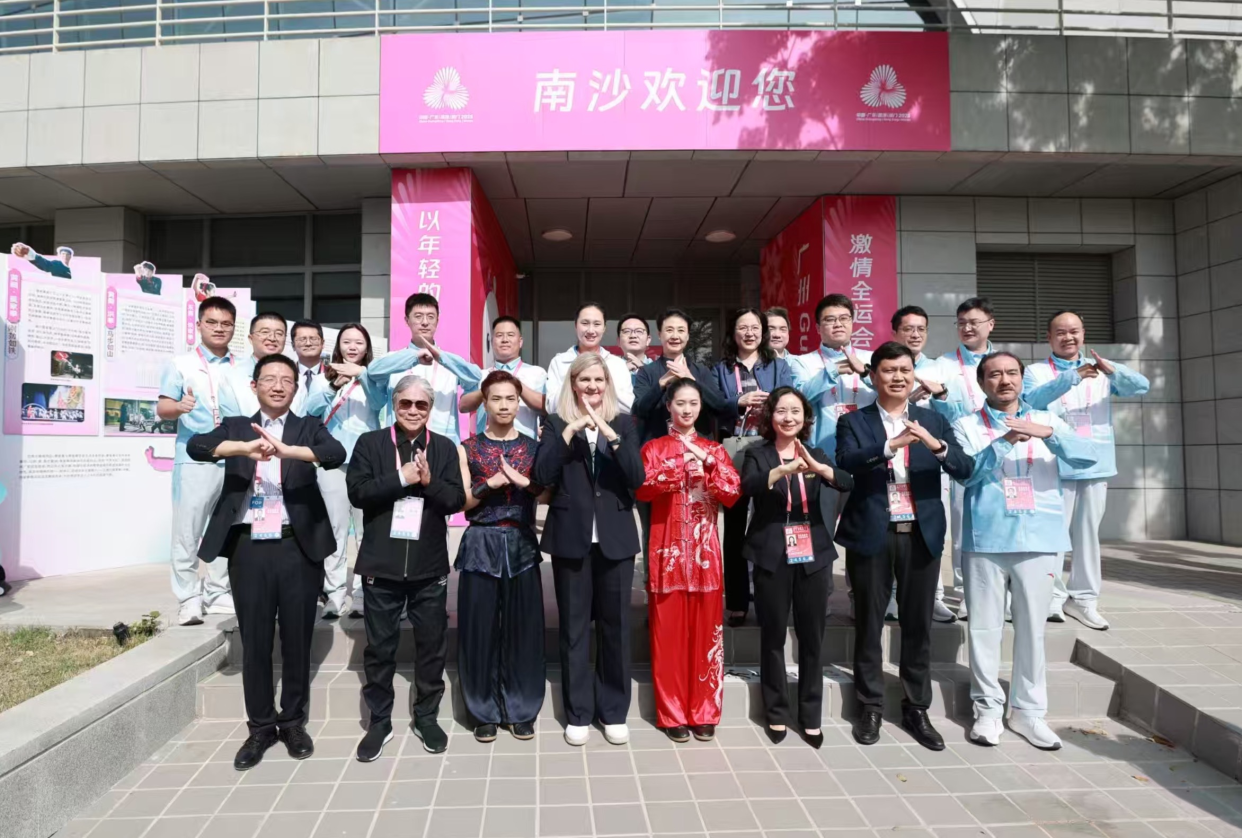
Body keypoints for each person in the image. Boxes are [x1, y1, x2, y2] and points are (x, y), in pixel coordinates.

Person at [186, 354, 347, 770]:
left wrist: (287, 451)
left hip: (297, 546)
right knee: (255, 641)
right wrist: (244, 448)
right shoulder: (238, 426)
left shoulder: (308, 426)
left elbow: (334, 452)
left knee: (296, 638)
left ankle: (292, 721)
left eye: (287, 380)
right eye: (270, 378)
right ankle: (259, 727)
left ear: (296, 388)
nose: (278, 385)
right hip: (249, 547)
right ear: (255, 384)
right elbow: (196, 445)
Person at [953, 352, 1098, 750]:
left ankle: (1029, 712)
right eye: (995, 374)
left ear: (1021, 380)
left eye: (1012, 373)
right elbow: (968, 474)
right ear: (982, 382)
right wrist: (1004, 442)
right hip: (987, 539)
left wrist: (1048, 434)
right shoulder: (966, 425)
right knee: (984, 628)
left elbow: (1088, 457)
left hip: (1039, 539)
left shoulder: (1049, 421)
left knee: (1032, 630)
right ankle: (987, 709)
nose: (1005, 381)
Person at [835, 342, 973, 750]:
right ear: (874, 375)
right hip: (872, 533)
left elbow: (964, 468)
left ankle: (916, 706)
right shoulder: (854, 421)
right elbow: (846, 463)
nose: (898, 377)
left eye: (905, 370)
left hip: (921, 533)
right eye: (889, 370)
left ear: (914, 374)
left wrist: (935, 445)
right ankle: (871, 704)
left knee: (917, 626)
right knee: (869, 624)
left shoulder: (934, 420)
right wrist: (888, 448)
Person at [347, 376, 466, 760]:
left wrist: (428, 482)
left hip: (428, 567)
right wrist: (402, 477)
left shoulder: (444, 447)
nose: (413, 411)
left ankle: (426, 717)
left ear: (431, 409)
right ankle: (379, 722)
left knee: (431, 648)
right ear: (393, 405)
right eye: (406, 404)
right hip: (380, 565)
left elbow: (454, 501)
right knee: (380, 650)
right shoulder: (370, 443)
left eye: (421, 405)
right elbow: (358, 492)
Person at [533, 352, 644, 747]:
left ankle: (613, 711)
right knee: (574, 629)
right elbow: (541, 476)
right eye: (585, 381)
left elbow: (637, 476)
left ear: (608, 385)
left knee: (615, 627)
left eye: (599, 381)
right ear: (573, 385)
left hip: (614, 538)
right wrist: (568, 433)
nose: (593, 388)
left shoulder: (624, 423)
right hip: (570, 537)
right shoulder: (556, 422)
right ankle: (578, 712)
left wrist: (610, 435)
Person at [1022, 311, 1149, 630]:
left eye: (1074, 331)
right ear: (1049, 338)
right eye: (1061, 332)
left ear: (1083, 334)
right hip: (1053, 464)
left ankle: (1084, 599)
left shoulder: (1104, 371)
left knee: (1087, 535)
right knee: (1052, 533)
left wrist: (1114, 368)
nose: (1068, 337)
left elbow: (1141, 386)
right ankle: (1050, 597)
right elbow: (1032, 401)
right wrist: (1072, 376)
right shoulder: (1037, 371)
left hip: (1094, 463)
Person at [741, 387, 852, 748]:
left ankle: (810, 714)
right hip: (772, 552)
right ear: (770, 417)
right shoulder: (757, 454)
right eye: (781, 411)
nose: (788, 417)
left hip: (814, 554)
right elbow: (748, 487)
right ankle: (775, 711)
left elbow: (846, 481)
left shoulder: (816, 453)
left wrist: (818, 468)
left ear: (805, 418)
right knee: (773, 635)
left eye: (796, 411)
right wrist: (783, 470)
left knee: (812, 638)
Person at [637, 379, 741, 743]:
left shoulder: (714, 449)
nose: (686, 409)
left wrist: (708, 463)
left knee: (706, 638)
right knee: (667, 639)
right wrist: (676, 468)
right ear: (668, 406)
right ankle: (672, 714)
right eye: (679, 402)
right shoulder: (653, 448)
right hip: (666, 554)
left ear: (700, 407)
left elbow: (731, 493)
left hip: (705, 557)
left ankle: (705, 711)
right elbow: (643, 489)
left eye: (693, 403)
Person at [455, 371, 547, 743]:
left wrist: (524, 482)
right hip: (480, 543)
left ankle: (521, 708)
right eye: (496, 399)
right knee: (479, 630)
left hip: (522, 544)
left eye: (511, 399)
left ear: (519, 402)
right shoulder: (468, 447)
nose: (504, 405)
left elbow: (548, 496)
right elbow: (461, 502)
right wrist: (489, 484)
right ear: (485, 403)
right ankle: (483, 710)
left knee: (523, 628)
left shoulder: (534, 448)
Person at [157, 296, 239, 626]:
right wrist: (181, 407)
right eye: (213, 323)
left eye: (226, 324)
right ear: (199, 325)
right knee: (188, 531)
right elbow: (162, 408)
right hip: (194, 459)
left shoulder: (242, 366)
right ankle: (188, 597)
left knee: (225, 527)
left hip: (234, 456)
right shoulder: (180, 364)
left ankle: (218, 591)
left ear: (234, 327)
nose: (219, 329)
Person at [714, 307, 793, 628]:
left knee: (770, 525)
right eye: (742, 327)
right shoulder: (720, 368)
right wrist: (738, 403)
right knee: (733, 529)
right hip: (733, 452)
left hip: (769, 451)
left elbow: (790, 400)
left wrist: (771, 404)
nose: (749, 333)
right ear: (733, 333)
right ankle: (736, 600)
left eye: (754, 327)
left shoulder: (779, 366)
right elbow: (712, 405)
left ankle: (768, 595)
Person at [303, 323, 383, 619]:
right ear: (338, 346)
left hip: (367, 462)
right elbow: (309, 410)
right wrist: (333, 384)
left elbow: (380, 403)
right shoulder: (323, 376)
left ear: (366, 348)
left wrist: (361, 376)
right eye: (346, 341)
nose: (352, 347)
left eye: (358, 342)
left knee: (367, 531)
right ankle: (335, 593)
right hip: (331, 461)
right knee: (335, 528)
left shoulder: (374, 377)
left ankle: (363, 593)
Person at [887, 306, 958, 625]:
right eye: (908, 328)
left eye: (921, 329)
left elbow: (959, 413)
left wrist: (940, 395)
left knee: (931, 528)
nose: (915, 334)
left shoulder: (942, 367)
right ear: (895, 332)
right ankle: (889, 596)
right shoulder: (887, 362)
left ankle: (934, 598)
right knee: (889, 529)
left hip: (928, 462)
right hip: (892, 458)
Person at [935, 297, 998, 619]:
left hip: (1004, 455)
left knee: (1000, 523)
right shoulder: (943, 364)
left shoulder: (1004, 362)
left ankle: (1000, 595)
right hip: (962, 456)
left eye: (974, 322)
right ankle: (962, 593)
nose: (968, 328)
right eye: (962, 323)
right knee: (960, 528)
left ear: (991, 324)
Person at [362, 293, 463, 441]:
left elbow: (475, 376)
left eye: (430, 316)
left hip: (442, 447)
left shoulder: (450, 361)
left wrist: (441, 357)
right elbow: (373, 370)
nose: (424, 322)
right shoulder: (393, 360)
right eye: (418, 316)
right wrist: (414, 357)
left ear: (437, 320)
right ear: (406, 320)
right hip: (399, 445)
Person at [433, 315, 548, 439]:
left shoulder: (537, 373)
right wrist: (488, 388)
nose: (505, 340)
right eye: (499, 335)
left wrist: (515, 383)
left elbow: (545, 407)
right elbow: (463, 406)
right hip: (485, 449)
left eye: (510, 335)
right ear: (492, 341)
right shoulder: (480, 374)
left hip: (524, 448)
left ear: (520, 342)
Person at [789, 294, 875, 457]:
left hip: (868, 447)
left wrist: (865, 372)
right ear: (817, 327)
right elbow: (798, 400)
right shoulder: (802, 362)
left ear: (852, 323)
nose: (838, 324)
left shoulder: (872, 358)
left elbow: (890, 394)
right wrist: (832, 371)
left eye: (844, 318)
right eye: (830, 320)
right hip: (821, 452)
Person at [633, 308, 728, 445]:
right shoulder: (646, 372)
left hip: (699, 449)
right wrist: (662, 383)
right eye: (669, 330)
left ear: (688, 336)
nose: (675, 336)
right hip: (659, 452)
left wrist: (691, 380)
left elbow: (719, 406)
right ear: (660, 334)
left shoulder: (702, 371)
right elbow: (639, 410)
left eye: (681, 330)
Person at [545, 302, 634, 416]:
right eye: (585, 323)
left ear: (604, 328)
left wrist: (602, 384)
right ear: (576, 325)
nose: (591, 330)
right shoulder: (559, 362)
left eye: (597, 324)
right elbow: (550, 407)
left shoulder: (617, 364)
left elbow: (628, 407)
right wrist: (575, 383)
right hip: (569, 427)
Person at [219, 312, 289, 419]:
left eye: (279, 333)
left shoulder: (297, 379)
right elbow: (232, 423)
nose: (272, 338)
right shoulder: (231, 376)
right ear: (251, 338)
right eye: (265, 332)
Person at [290, 320, 326, 416]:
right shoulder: (287, 375)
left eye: (313, 339)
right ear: (293, 345)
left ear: (323, 343)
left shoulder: (332, 375)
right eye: (302, 339)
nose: (308, 343)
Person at [618, 313, 652, 383]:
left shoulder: (658, 368)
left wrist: (645, 369)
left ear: (648, 340)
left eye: (639, 331)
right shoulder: (609, 367)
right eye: (627, 331)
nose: (633, 335)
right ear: (618, 341)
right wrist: (621, 372)